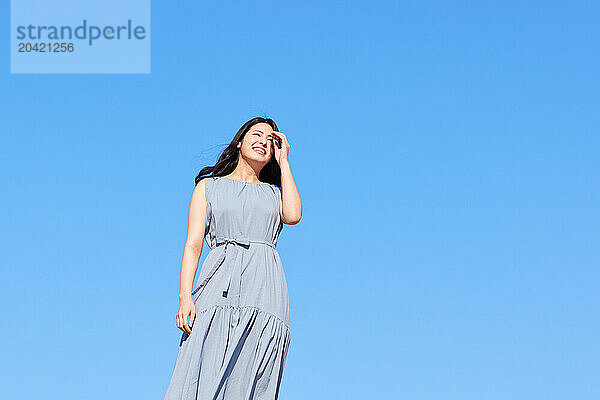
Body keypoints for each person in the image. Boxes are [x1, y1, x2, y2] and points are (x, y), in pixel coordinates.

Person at [164, 117, 302, 400]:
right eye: (257, 134)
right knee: (204, 358)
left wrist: (285, 162)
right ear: (239, 142)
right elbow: (193, 245)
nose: (263, 141)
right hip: (219, 281)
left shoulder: (274, 193)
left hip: (264, 289)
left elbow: (293, 215)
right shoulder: (208, 187)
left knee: (255, 366)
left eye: (270, 138)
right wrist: (185, 297)